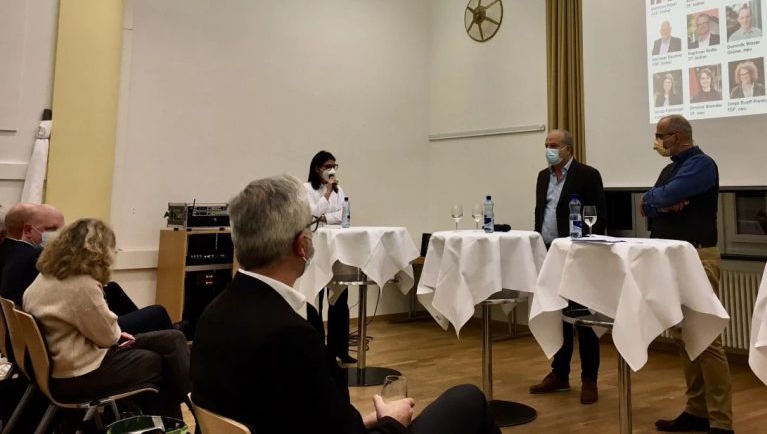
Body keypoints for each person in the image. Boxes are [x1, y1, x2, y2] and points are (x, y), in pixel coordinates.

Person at [190, 174, 500, 434]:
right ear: (301, 245)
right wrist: (391, 422)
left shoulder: (213, 314)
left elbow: (297, 416)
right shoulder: (288, 334)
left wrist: (362, 421)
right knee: (469, 400)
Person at [22, 219, 191, 419]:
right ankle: (184, 416)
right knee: (161, 363)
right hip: (78, 376)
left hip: (64, 365)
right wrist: (116, 335)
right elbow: (107, 338)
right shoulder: (82, 284)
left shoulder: (45, 276)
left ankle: (182, 415)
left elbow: (107, 334)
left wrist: (117, 335)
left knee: (173, 338)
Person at [641, 116, 733, 434]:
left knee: (705, 339)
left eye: (660, 136)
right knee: (683, 338)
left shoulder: (701, 165)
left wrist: (662, 201)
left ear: (677, 137)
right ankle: (696, 410)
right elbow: (648, 204)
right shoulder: (670, 169)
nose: (657, 141)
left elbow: (662, 197)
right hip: (670, 257)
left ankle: (721, 421)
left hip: (696, 257)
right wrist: (660, 202)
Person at [0, 203, 173, 335]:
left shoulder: (14, 252)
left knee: (111, 289)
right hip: (65, 336)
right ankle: (155, 333)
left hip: (42, 330)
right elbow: (75, 297)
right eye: (52, 229)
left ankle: (151, 331)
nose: (59, 237)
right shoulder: (35, 258)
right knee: (157, 313)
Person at [529, 129, 606, 405]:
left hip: (578, 255)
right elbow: (542, 212)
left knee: (582, 319)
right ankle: (559, 374)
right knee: (556, 315)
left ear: (568, 149)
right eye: (546, 145)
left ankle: (589, 380)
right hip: (550, 253)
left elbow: (599, 216)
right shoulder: (542, 176)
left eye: (554, 145)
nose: (549, 149)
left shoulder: (587, 175)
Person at [303, 150, 353, 365]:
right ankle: (317, 351)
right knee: (316, 300)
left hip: (337, 250)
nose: (332, 170)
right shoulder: (306, 189)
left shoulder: (340, 190)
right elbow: (311, 214)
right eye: (328, 166)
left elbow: (344, 215)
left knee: (339, 299)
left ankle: (339, 349)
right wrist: (326, 195)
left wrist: (325, 215)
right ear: (317, 168)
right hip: (315, 250)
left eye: (335, 166)